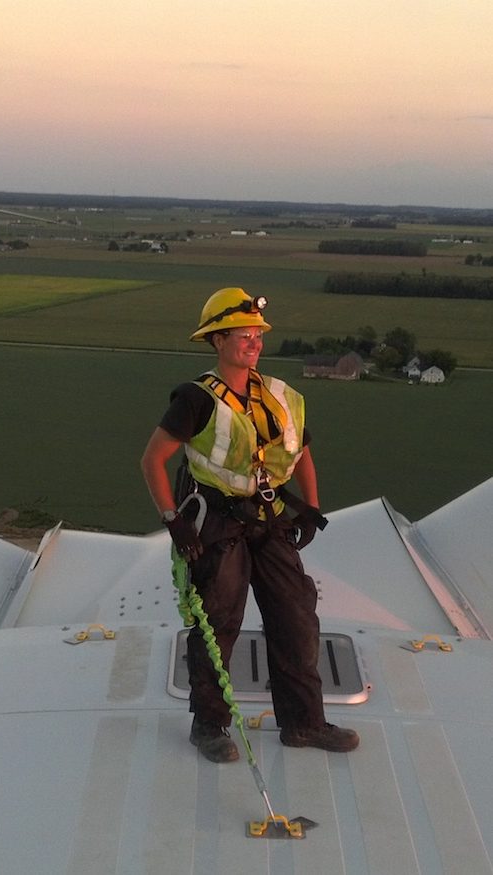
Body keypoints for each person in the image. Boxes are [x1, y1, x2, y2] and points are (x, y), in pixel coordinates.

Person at [141, 287, 359, 763]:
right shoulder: (196, 399)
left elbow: (301, 453)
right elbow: (152, 460)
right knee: (218, 622)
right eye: (243, 333)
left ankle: (304, 723)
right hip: (218, 526)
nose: (254, 341)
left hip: (271, 520)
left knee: (297, 617)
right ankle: (210, 724)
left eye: (257, 333)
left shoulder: (281, 396)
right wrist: (173, 521)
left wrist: (311, 507)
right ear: (217, 340)